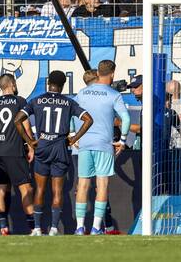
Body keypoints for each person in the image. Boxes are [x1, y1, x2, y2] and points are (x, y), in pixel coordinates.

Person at [15, 70, 92, 235]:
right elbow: (88, 120)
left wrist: (29, 141)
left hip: (42, 145)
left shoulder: (37, 100)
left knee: (40, 189)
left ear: (48, 82)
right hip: (60, 147)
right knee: (58, 191)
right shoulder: (68, 102)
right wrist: (73, 138)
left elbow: (17, 120)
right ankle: (55, 228)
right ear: (63, 85)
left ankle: (36, 228)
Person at [73, 60, 130, 235]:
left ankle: (79, 228)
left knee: (83, 185)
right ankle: (97, 227)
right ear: (112, 74)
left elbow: (70, 111)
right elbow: (126, 119)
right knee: (102, 184)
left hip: (84, 144)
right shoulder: (114, 95)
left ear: (98, 72)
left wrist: (72, 134)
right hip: (103, 144)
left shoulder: (82, 93)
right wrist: (122, 140)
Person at [0, 73, 35, 236]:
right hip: (14, 151)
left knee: (0, 188)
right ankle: (33, 227)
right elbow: (25, 125)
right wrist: (31, 147)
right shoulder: (19, 101)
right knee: (26, 188)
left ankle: (3, 227)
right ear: (13, 84)